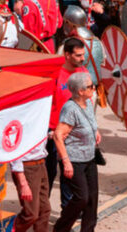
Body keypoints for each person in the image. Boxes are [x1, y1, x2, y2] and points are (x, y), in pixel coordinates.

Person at [53, 72, 101, 232]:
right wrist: (66, 161)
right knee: (81, 198)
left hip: (89, 158)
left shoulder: (88, 103)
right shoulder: (70, 109)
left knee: (92, 198)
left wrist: (95, 131)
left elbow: (89, 122)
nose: (94, 88)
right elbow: (58, 135)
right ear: (80, 91)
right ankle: (60, 229)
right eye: (90, 86)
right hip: (74, 160)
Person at [47, 38, 90, 205]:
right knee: (49, 172)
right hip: (53, 131)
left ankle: (68, 211)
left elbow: (87, 101)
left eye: (83, 55)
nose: (82, 59)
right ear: (67, 55)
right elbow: (46, 103)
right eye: (78, 55)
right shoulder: (55, 73)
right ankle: (42, 209)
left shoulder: (83, 72)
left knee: (69, 174)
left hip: (73, 133)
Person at [10, 139, 50, 232]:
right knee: (31, 214)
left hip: (41, 163)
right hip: (27, 167)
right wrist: (23, 183)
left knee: (44, 210)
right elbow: (13, 151)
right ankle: (9, 229)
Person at [61, 6, 104, 90]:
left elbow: (61, 67)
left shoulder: (68, 45)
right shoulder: (98, 42)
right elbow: (102, 62)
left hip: (78, 91)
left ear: (68, 23)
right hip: (95, 89)